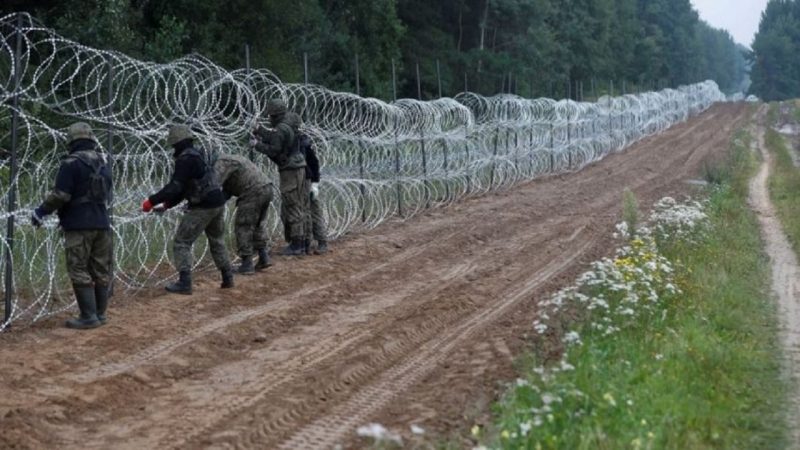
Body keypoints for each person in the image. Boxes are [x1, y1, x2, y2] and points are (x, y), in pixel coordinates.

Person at [31, 122, 113, 329]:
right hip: (102, 223)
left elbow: (61, 195)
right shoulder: (103, 163)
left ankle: (88, 316)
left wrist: (40, 212)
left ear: (71, 141)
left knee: (78, 267)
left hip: (79, 224)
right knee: (100, 269)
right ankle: (100, 314)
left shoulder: (71, 164)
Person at [142, 124, 234, 294]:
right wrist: (167, 205)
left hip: (204, 206)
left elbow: (175, 187)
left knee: (182, 242)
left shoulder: (185, 160)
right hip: (217, 203)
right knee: (217, 240)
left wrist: (151, 201)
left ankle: (184, 283)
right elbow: (186, 188)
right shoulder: (197, 156)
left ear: (176, 142)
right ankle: (227, 276)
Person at [251, 99, 309, 256]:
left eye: (270, 115)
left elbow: (274, 150)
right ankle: (303, 242)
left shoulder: (281, 128)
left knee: (292, 205)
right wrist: (259, 130)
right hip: (298, 167)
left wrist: (257, 145)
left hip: (290, 170)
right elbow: (274, 137)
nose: (269, 118)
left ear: (274, 115)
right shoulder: (288, 123)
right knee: (298, 204)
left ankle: (297, 245)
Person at [214, 153, 274, 274]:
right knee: (257, 225)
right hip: (267, 188)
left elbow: (214, 185)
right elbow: (227, 191)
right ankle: (264, 257)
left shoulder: (221, 163)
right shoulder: (234, 159)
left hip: (253, 192)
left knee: (243, 227)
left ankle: (247, 264)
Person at [291, 115, 328, 255]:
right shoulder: (292, 141)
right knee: (302, 212)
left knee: (313, 211)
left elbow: (314, 163)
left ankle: (321, 242)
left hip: (307, 180)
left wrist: (315, 183)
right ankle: (306, 242)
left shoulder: (303, 142)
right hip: (298, 181)